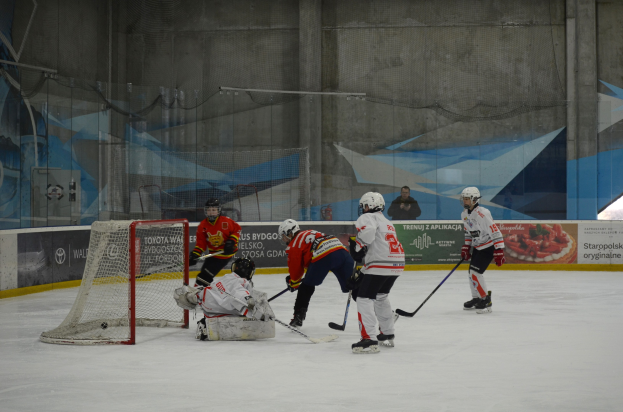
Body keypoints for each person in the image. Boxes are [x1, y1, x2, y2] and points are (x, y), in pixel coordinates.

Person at [350, 192, 405, 354]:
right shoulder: (387, 222)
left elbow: (368, 232)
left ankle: (368, 338)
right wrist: (362, 273)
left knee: (363, 298)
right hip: (396, 263)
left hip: (380, 263)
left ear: (369, 206)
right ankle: (387, 332)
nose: (363, 209)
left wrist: (358, 245)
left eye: (364, 206)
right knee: (381, 296)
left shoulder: (368, 218)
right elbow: (380, 245)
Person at [173, 258, 275, 341]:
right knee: (239, 309)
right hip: (219, 307)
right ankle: (208, 326)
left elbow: (216, 287)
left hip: (206, 303)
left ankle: (203, 316)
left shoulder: (228, 276)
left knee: (223, 302)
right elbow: (239, 293)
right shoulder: (243, 281)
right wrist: (254, 310)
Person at [278, 218, 355, 328]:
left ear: (289, 233)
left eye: (284, 236)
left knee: (306, 286)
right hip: (343, 253)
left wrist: (293, 282)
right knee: (354, 286)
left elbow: (296, 272)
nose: (283, 239)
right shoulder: (309, 232)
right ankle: (378, 311)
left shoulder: (294, 244)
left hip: (324, 256)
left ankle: (298, 318)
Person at [459, 187, 505, 314]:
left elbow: (495, 231)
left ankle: (485, 300)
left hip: (488, 247)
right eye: (464, 199)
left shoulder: (483, 213)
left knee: (475, 273)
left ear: (474, 199)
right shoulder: (464, 214)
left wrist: (499, 250)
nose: (464, 201)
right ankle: (476, 298)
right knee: (471, 273)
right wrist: (466, 247)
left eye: (467, 199)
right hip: (478, 247)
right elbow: (469, 233)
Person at [190, 198, 241, 287]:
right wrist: (195, 254)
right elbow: (201, 243)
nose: (211, 212)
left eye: (213, 210)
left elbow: (237, 229)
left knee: (205, 277)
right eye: (209, 210)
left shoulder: (226, 221)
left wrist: (231, 242)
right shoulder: (202, 225)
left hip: (224, 255)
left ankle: (198, 295)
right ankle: (202, 294)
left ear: (218, 210)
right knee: (203, 275)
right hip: (213, 254)